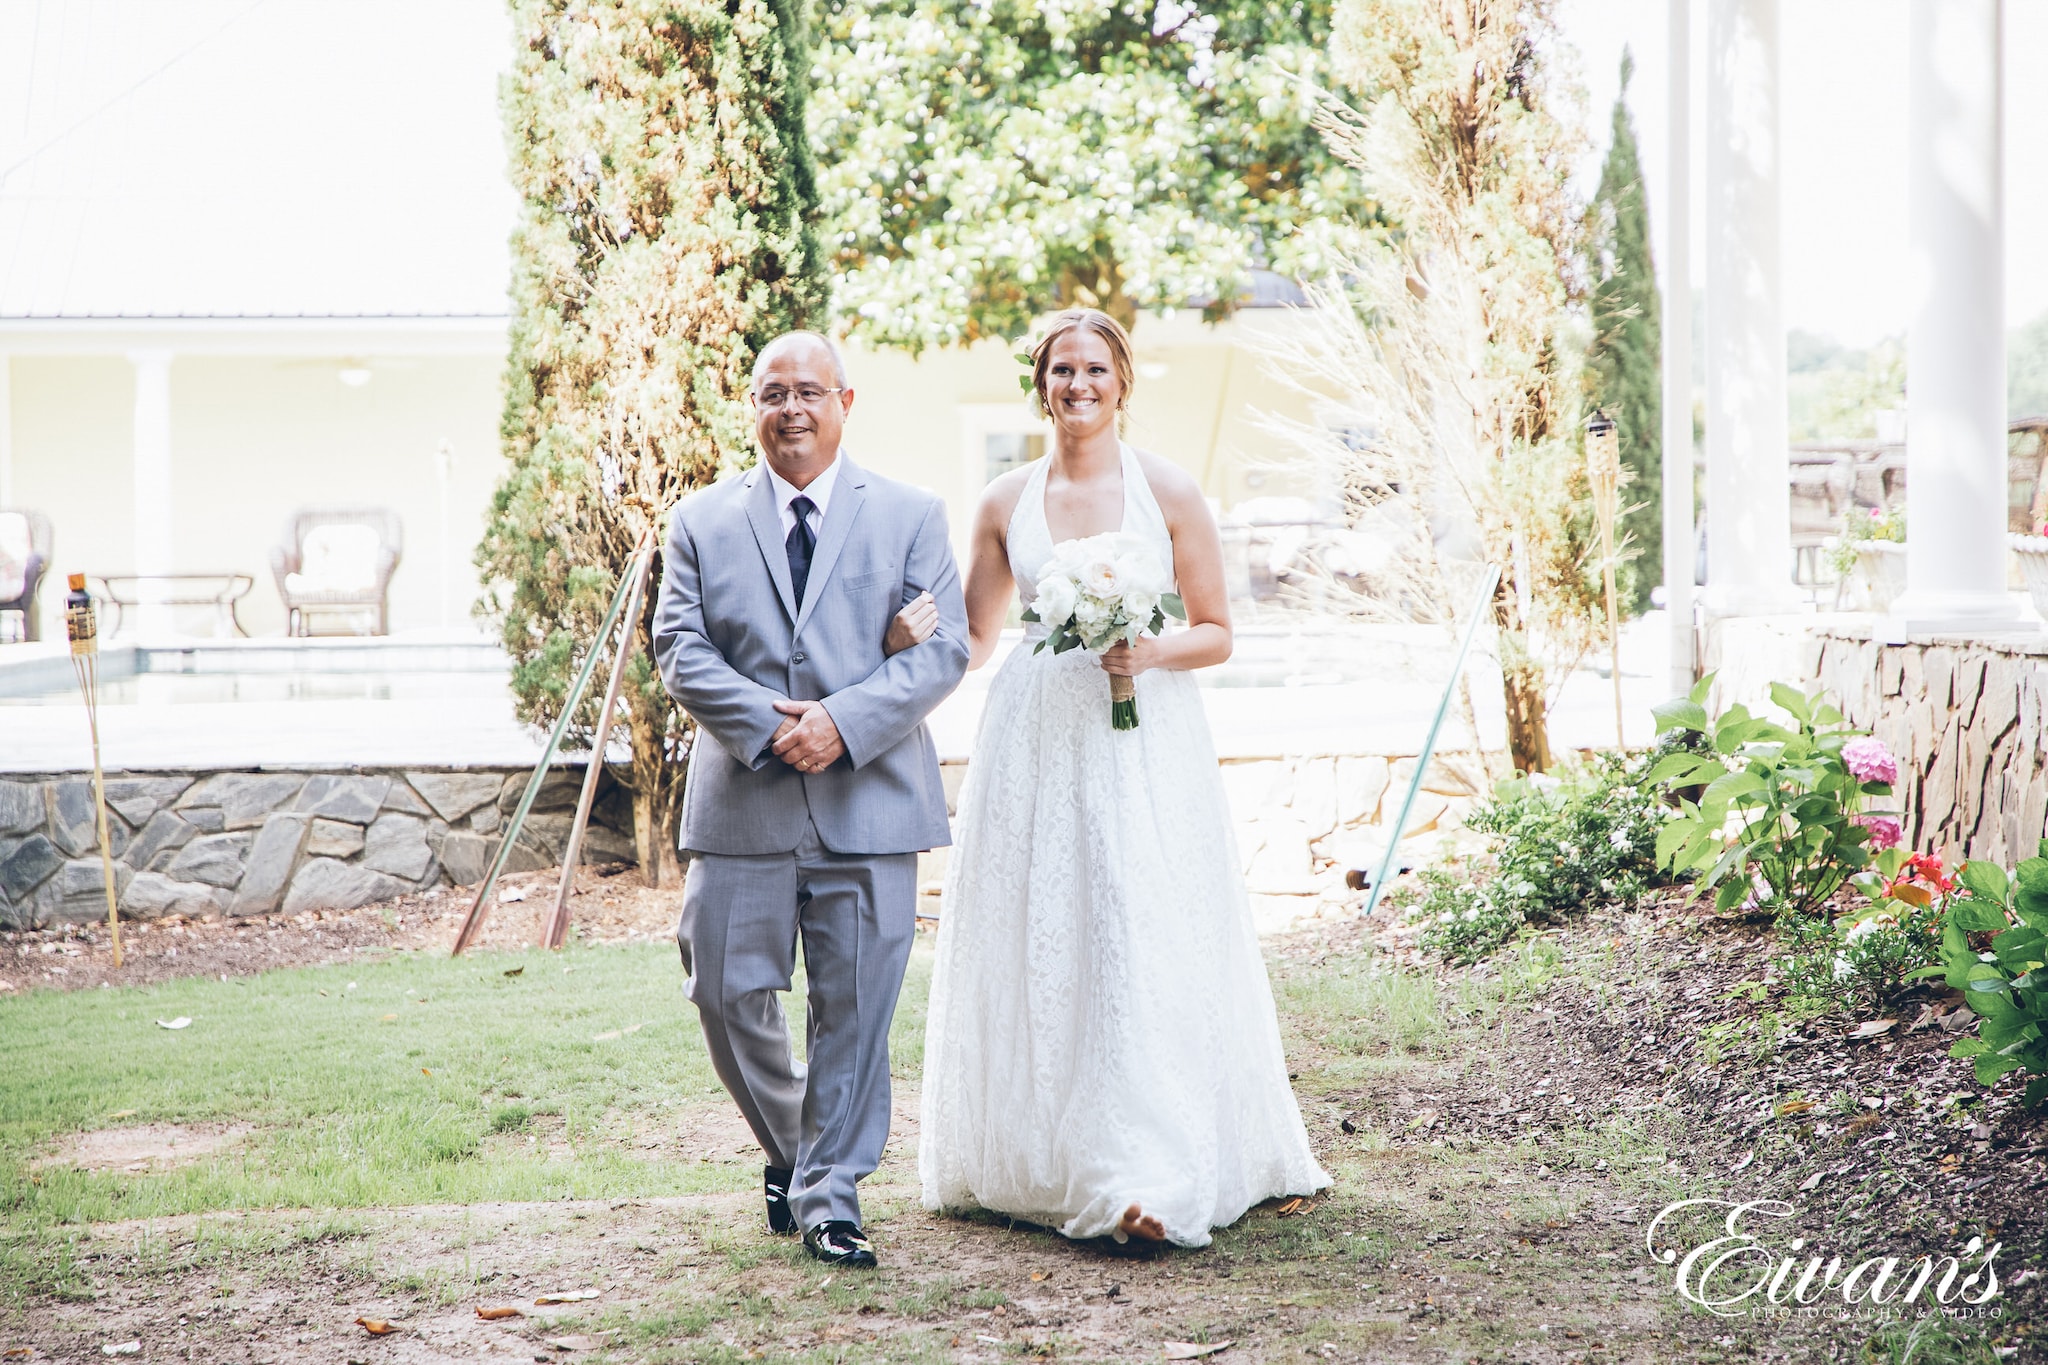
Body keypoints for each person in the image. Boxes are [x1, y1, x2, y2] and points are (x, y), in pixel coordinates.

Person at [913, 307, 1331, 1248]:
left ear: (1123, 379)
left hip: (1145, 741)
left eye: (1094, 368)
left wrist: (1147, 652)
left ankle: (1149, 1163)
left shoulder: (1171, 491)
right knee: (1046, 929)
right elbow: (978, 639)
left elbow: (1219, 631)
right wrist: (916, 633)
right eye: (1061, 370)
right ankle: (1046, 1154)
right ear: (1041, 384)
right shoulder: (1002, 501)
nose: (1078, 385)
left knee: (1140, 926)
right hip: (1036, 737)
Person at [652, 330, 968, 1270]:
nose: (791, 409)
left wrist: (841, 720)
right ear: (752, 407)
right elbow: (680, 645)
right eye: (771, 393)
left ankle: (830, 1198)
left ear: (845, 401)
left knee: (856, 1007)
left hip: (870, 798)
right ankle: (802, 1153)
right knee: (722, 987)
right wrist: (767, 720)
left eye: (809, 392)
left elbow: (943, 650)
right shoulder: (699, 523)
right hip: (743, 799)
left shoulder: (911, 515)